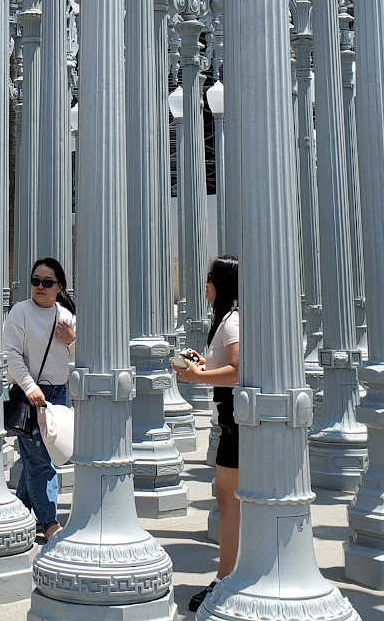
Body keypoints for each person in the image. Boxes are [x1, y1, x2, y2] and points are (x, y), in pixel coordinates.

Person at [175, 254, 240, 614]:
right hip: (229, 419)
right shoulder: (228, 321)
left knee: (229, 503)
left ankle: (225, 578)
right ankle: (227, 574)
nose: (206, 286)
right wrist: (202, 365)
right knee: (227, 497)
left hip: (234, 420)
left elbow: (238, 370)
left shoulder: (231, 323)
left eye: (209, 279)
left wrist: (199, 376)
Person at [2, 256, 76, 544]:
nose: (40, 287)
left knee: (38, 460)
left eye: (47, 283)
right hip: (29, 395)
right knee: (40, 461)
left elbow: (78, 359)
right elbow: (12, 356)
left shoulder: (66, 317)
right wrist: (30, 386)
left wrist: (72, 340)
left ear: (59, 286)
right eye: (35, 282)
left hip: (58, 395)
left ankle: (18, 512)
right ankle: (49, 522)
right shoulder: (20, 312)